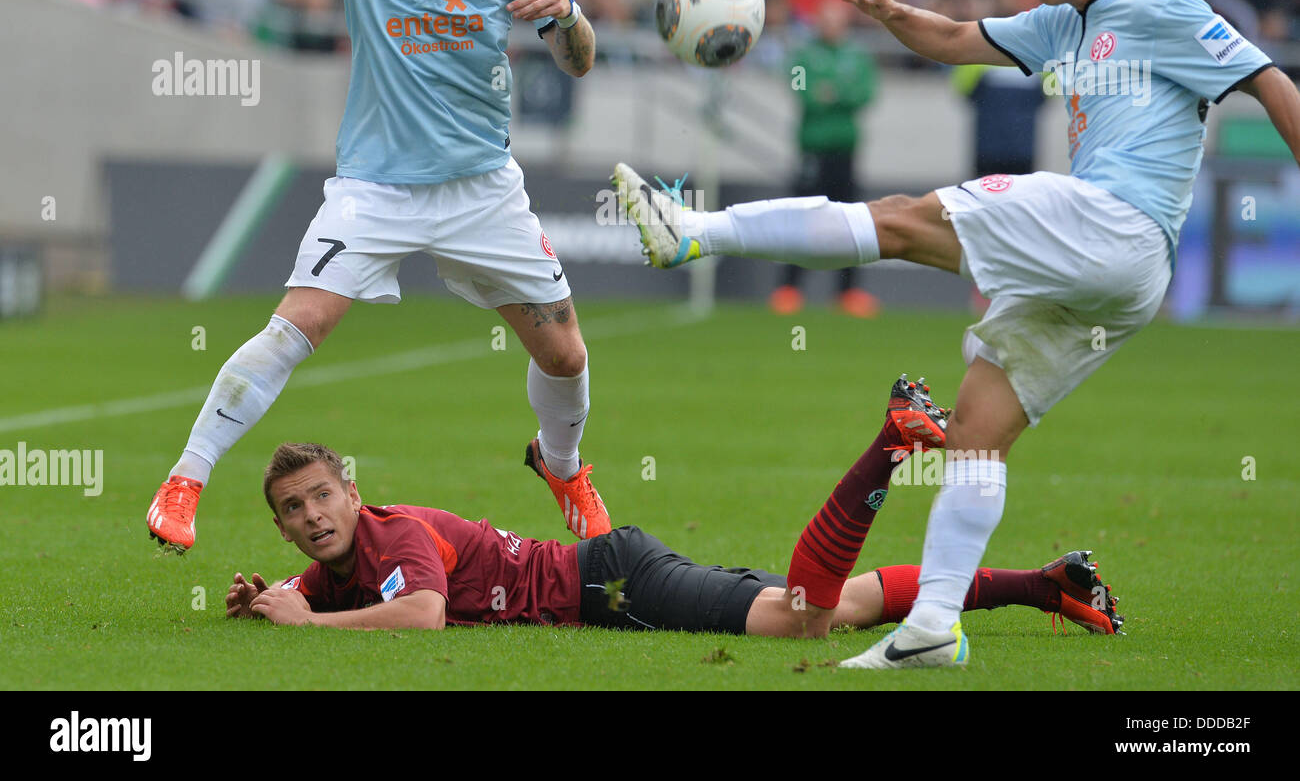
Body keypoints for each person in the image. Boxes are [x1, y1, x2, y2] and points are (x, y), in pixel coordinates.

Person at [613, 0, 1300, 667]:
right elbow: (952, 39)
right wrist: (885, 9)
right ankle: (933, 627)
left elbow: (1268, 80)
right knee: (978, 426)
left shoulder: (1164, 11)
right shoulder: (1058, 22)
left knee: (903, 220)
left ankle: (693, 230)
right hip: (1116, 276)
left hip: (1117, 224)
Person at [148, 0, 609, 554]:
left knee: (565, 352)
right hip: (375, 185)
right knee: (300, 323)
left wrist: (565, 13)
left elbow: (579, 62)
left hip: (481, 187)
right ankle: (185, 478)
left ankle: (561, 467)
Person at [227, 379, 1122, 642]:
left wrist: (304, 626)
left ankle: (890, 443)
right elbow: (334, 588)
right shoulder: (338, 562)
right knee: (844, 602)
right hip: (607, 565)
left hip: (615, 587)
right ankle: (1047, 586)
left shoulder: (391, 534)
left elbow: (421, 615)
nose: (311, 517)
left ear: (352, 488)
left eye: (320, 496)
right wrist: (275, 597)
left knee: (799, 622)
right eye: (293, 510)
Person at [771, 0, 879, 317]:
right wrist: (834, 94)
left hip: (845, 151)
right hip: (812, 149)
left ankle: (846, 292)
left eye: (837, 19)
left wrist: (831, 93)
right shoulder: (805, 54)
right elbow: (803, 91)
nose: (832, 25)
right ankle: (789, 288)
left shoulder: (856, 55)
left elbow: (865, 93)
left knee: (849, 222)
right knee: (801, 218)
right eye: (826, 18)